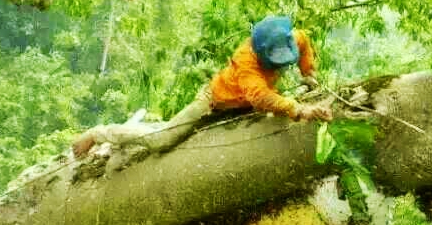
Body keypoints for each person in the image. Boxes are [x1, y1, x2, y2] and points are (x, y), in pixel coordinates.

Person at [72, 15, 333, 158]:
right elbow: (261, 97)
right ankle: (99, 133)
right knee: (162, 139)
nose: (280, 66)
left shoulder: (293, 37)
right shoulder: (247, 62)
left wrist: (308, 74)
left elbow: (304, 42)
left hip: (242, 108)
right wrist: (301, 110)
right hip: (212, 103)